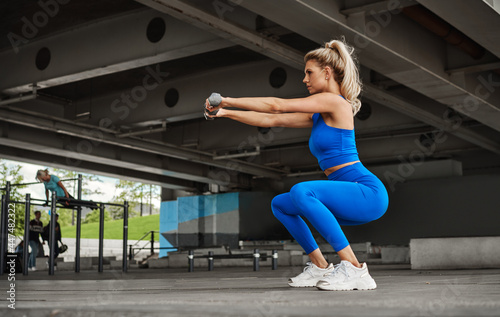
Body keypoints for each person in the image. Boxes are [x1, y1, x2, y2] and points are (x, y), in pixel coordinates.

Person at [204, 39, 389, 291]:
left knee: (303, 191)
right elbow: (270, 118)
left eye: (308, 73)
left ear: (327, 72)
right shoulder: (318, 114)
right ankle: (321, 266)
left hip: (367, 192)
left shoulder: (335, 102)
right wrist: (225, 113)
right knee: (281, 204)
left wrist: (227, 100)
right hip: (348, 193)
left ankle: (355, 269)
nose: (304, 79)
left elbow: (276, 104)